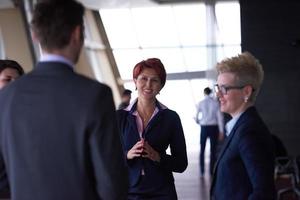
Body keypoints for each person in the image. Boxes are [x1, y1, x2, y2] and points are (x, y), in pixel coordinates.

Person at [0, 1, 128, 200]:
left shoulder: (7, 96)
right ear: (77, 33)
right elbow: (111, 183)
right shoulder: (95, 94)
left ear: (35, 36)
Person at [116, 58, 188, 199]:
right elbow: (108, 158)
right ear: (135, 81)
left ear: (161, 85)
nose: (148, 85)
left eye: (154, 80)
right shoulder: (119, 117)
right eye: (143, 78)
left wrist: (157, 156)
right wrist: (127, 155)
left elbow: (181, 164)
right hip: (128, 191)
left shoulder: (171, 118)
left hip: (162, 192)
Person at [210, 52, 275, 199]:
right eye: (217, 88)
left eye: (224, 89)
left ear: (246, 92)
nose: (218, 95)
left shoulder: (249, 132)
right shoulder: (240, 127)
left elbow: (264, 193)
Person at [194, 87, 224, 177]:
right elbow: (220, 118)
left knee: (202, 149)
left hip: (204, 127)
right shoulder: (215, 103)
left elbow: (196, 117)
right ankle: (211, 171)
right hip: (214, 128)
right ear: (210, 93)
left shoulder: (200, 103)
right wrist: (221, 131)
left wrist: (198, 121)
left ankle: (202, 171)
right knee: (213, 150)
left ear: (204, 93)